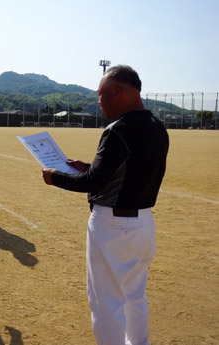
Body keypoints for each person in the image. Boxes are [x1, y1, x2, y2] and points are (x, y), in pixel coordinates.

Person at [42, 65, 169, 345]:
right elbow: (130, 172)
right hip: (144, 224)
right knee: (135, 296)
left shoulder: (118, 130)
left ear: (116, 92)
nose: (98, 102)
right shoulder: (157, 126)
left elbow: (94, 182)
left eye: (101, 95)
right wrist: (85, 166)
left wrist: (55, 177)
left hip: (113, 226)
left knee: (107, 304)